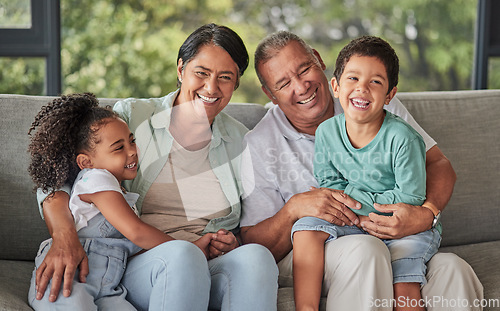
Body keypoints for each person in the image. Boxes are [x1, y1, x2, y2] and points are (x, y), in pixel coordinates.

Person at [33, 23, 278, 311]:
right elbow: (54, 176)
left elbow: (252, 221)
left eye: (225, 77)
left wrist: (230, 242)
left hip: (203, 261)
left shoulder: (243, 142)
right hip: (132, 263)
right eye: (201, 72)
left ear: (235, 84)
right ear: (180, 69)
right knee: (182, 255)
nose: (211, 87)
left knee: (257, 258)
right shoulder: (131, 117)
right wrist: (63, 236)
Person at [240, 30, 483, 311]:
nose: (301, 86)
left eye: (305, 68)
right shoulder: (258, 144)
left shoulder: (369, 100)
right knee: (366, 251)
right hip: (317, 248)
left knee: (454, 269)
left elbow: (439, 164)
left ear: (319, 61)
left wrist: (426, 214)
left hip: (390, 234)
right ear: (270, 94)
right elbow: (253, 244)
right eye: (283, 83)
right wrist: (294, 208)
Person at [292, 36, 441, 311]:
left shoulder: (403, 138)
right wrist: (354, 214)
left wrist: (358, 206)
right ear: (335, 86)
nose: (362, 88)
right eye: (353, 78)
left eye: (375, 82)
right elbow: (330, 183)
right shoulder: (327, 132)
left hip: (403, 225)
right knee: (305, 228)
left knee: (403, 281)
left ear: (389, 95)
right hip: (354, 218)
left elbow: (411, 196)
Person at [27, 93, 181, 310]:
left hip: (110, 284)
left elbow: (133, 245)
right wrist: (186, 248)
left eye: (132, 141)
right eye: (119, 147)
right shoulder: (96, 178)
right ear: (86, 162)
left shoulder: (121, 194)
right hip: (70, 271)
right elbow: (137, 232)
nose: (132, 152)